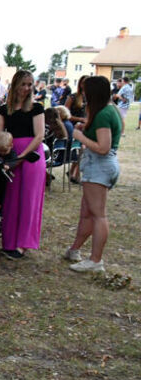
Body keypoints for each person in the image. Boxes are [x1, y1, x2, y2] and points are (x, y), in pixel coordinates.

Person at [65, 75, 121, 273]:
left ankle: (96, 260)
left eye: (86, 91)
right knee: (87, 213)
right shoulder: (108, 110)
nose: (84, 94)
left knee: (98, 215)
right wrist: (85, 128)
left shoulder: (104, 113)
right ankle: (74, 250)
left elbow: (103, 147)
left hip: (100, 166)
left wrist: (80, 136)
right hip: (101, 166)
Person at [0, 69, 46, 260]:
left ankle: (23, 244)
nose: (26, 88)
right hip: (10, 153)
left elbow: (39, 135)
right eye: (23, 84)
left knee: (28, 200)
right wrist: (5, 155)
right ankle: (8, 241)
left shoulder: (36, 108)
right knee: (11, 199)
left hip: (31, 156)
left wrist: (22, 156)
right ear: (15, 85)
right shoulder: (3, 110)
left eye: (30, 84)